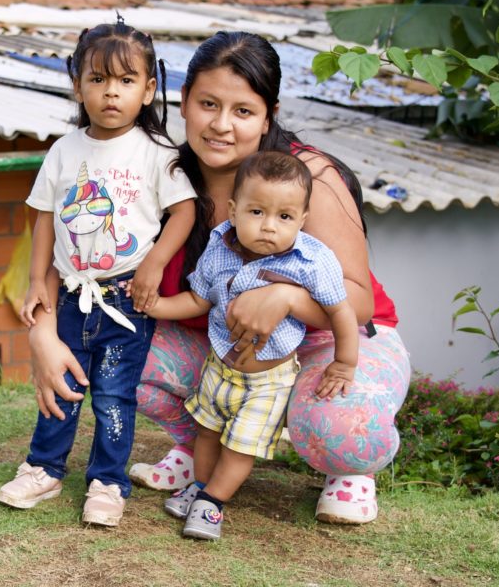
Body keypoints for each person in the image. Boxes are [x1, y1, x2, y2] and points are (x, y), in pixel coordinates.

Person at [28, 31, 410, 526]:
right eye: (208, 104)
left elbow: (357, 301)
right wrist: (42, 330)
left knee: (345, 428)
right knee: (124, 352)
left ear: (268, 114)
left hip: (333, 340)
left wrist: (284, 297)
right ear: (182, 101)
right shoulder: (156, 168)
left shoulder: (303, 176)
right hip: (226, 348)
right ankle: (199, 447)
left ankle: (348, 471)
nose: (222, 125)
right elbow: (71, 239)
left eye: (243, 111)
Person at [0, 18, 196, 528]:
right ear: (78, 85)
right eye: (98, 79)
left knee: (112, 393)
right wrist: (38, 280)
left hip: (126, 301)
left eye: (126, 81)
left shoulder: (158, 153)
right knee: (60, 385)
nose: (111, 92)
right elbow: (44, 218)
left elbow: (185, 213)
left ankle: (108, 482)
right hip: (70, 298)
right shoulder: (64, 151)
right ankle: (43, 468)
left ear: (149, 89)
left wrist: (153, 262)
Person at [142, 151, 359, 540]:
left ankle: (213, 505)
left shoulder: (312, 260)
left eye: (284, 217)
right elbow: (199, 299)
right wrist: (158, 305)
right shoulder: (218, 246)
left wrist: (344, 362)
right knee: (207, 431)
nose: (268, 227)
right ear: (233, 209)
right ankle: (201, 487)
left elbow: (341, 311)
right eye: (256, 212)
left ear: (303, 220)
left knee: (241, 446)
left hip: (267, 380)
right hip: (219, 368)